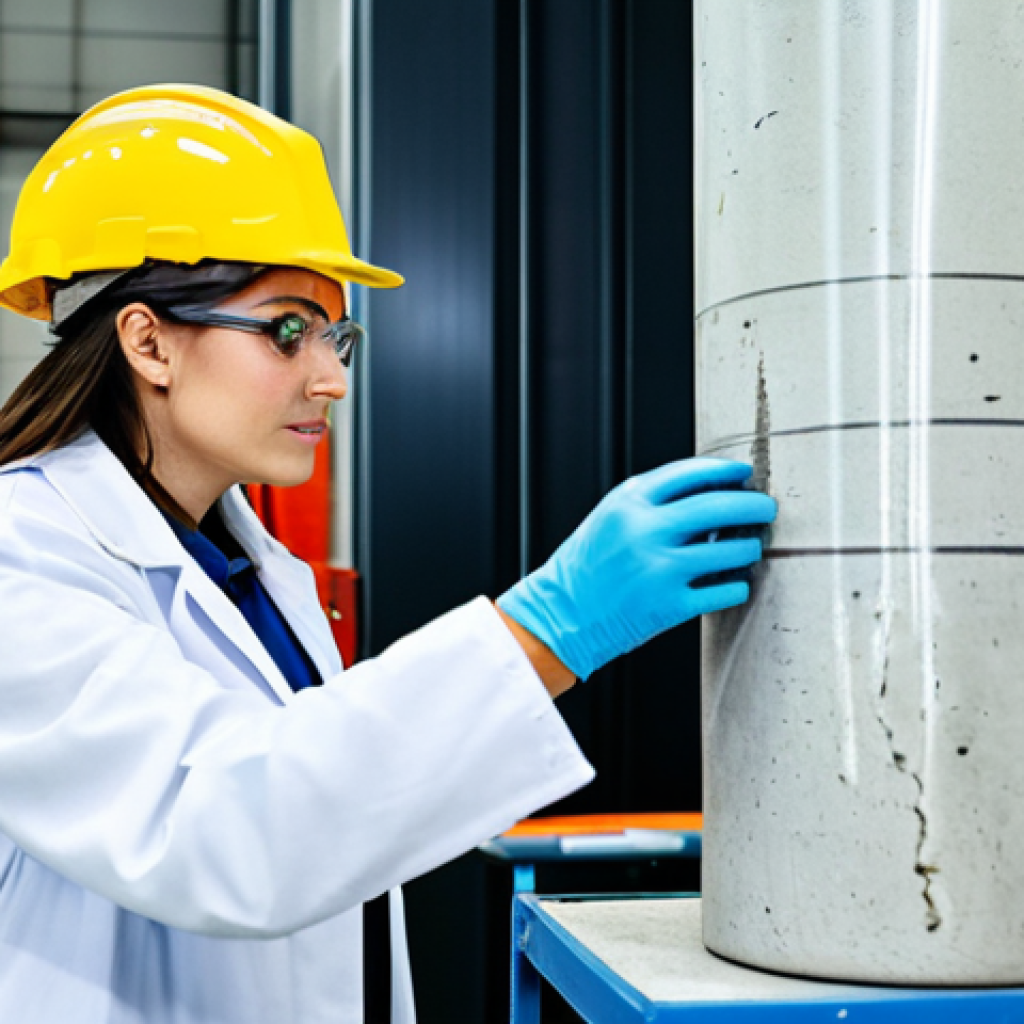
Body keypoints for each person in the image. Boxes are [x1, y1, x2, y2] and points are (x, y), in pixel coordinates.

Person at [0, 84, 776, 1024]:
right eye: (289, 329)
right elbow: (223, 830)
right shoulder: (24, 556)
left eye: (338, 336)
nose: (330, 377)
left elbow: (329, 816)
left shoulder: (241, 564)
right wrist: (549, 629)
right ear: (148, 340)